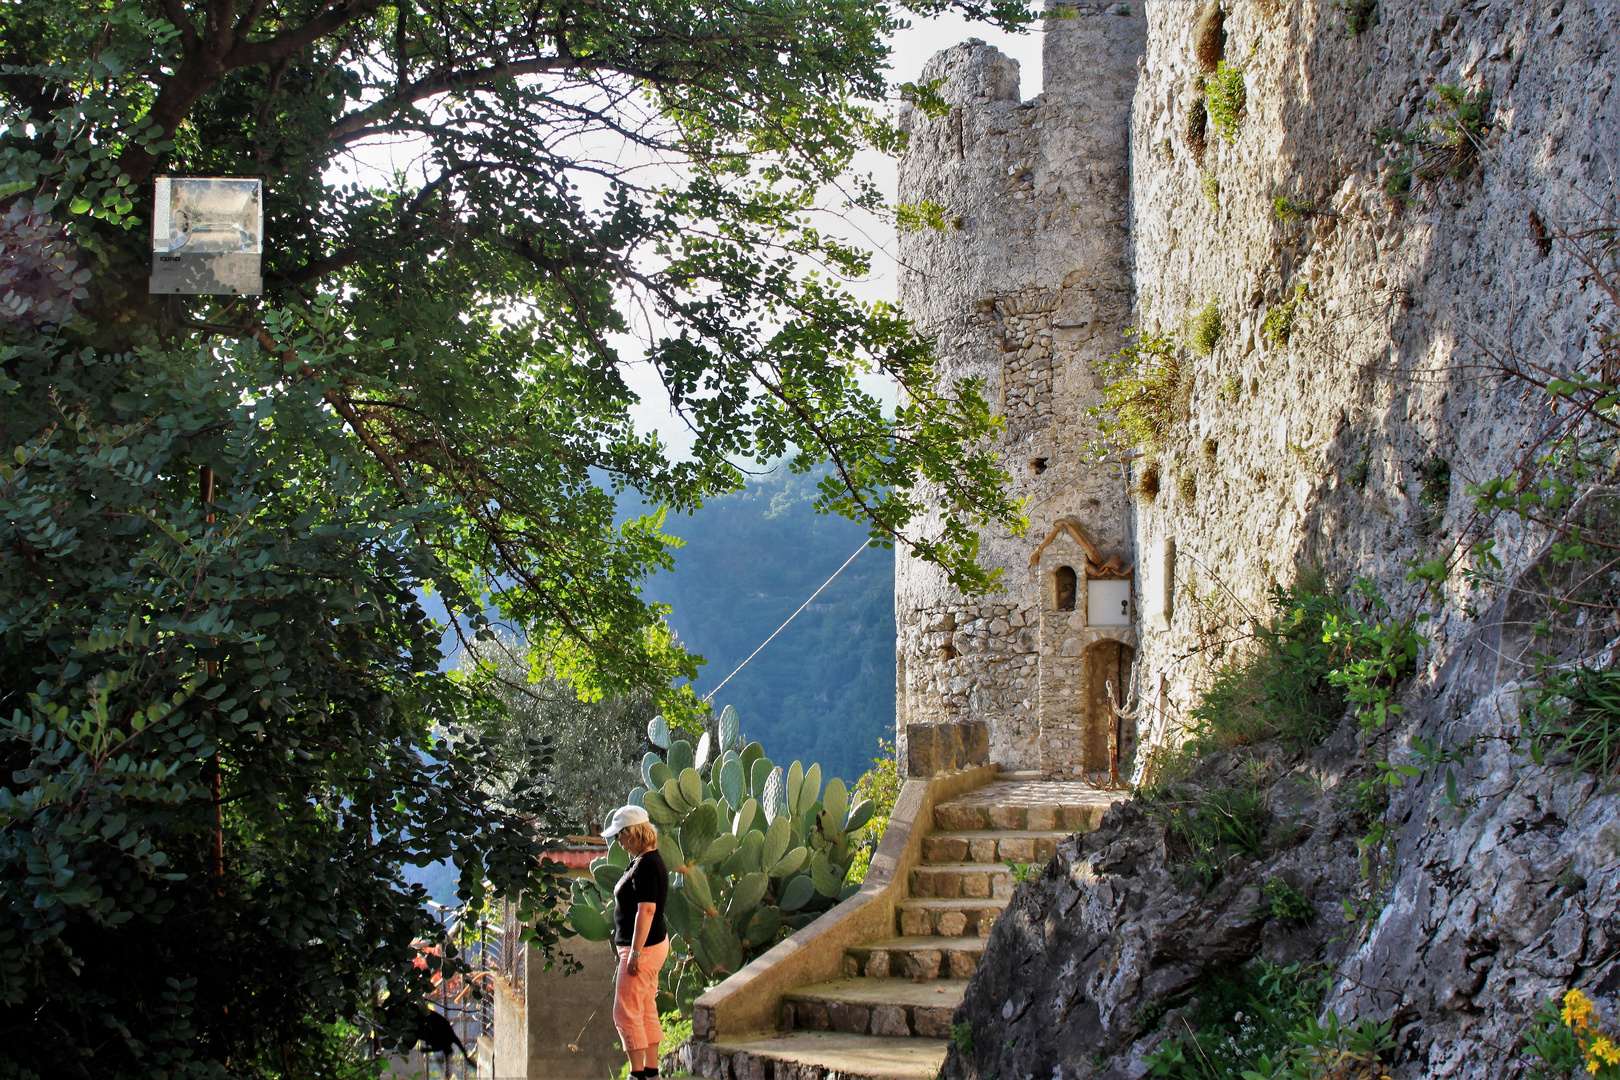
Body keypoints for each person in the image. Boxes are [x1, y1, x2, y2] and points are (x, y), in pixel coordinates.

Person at [602, 804, 669, 1080]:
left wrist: (635, 954)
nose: (617, 841)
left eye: (620, 835)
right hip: (652, 945)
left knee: (625, 1011)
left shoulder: (645, 866)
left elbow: (647, 910)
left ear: (633, 833)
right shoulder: (647, 860)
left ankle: (637, 1074)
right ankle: (651, 1072)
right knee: (644, 1007)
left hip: (642, 948)